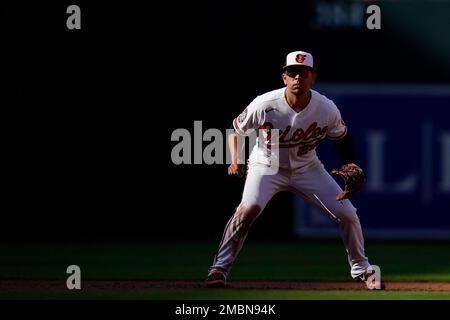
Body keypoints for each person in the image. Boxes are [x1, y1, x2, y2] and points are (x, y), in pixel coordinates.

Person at [205, 50, 384, 290]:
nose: (298, 77)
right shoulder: (264, 104)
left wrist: (350, 163)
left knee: (348, 214)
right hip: (266, 166)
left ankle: (362, 268)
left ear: (313, 78)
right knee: (249, 208)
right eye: (292, 73)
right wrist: (235, 160)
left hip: (307, 168)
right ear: (284, 78)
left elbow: (342, 137)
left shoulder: (326, 108)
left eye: (304, 72)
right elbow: (236, 129)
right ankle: (219, 268)